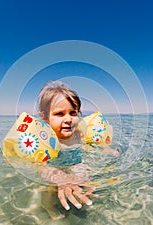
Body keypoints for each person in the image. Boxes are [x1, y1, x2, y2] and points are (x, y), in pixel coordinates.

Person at [36, 81, 118, 219]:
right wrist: (60, 177)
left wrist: (106, 149)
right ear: (45, 117)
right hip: (54, 167)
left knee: (86, 179)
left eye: (73, 113)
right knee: (49, 189)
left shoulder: (78, 133)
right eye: (60, 114)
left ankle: (80, 201)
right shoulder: (44, 139)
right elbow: (39, 166)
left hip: (75, 162)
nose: (68, 119)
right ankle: (49, 207)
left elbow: (90, 143)